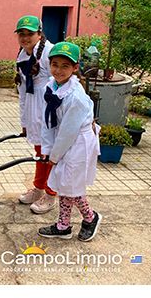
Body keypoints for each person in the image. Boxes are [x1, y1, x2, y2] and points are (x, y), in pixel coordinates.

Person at [38, 42, 102, 242]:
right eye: (55, 64)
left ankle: (90, 217)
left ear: (75, 68)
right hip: (64, 140)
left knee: (71, 186)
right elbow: (48, 122)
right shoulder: (51, 86)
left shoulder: (76, 98)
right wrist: (46, 149)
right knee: (65, 185)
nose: (58, 70)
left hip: (78, 143)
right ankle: (63, 225)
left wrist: (54, 157)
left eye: (65, 66)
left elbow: (68, 132)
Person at [13, 15, 58, 215]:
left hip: (51, 108)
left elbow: (60, 83)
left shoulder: (50, 52)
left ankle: (50, 194)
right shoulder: (22, 56)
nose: (25, 38)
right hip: (34, 108)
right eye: (21, 34)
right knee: (41, 153)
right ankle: (38, 188)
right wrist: (25, 121)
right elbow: (22, 92)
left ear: (39, 34)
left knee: (52, 155)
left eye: (30, 34)